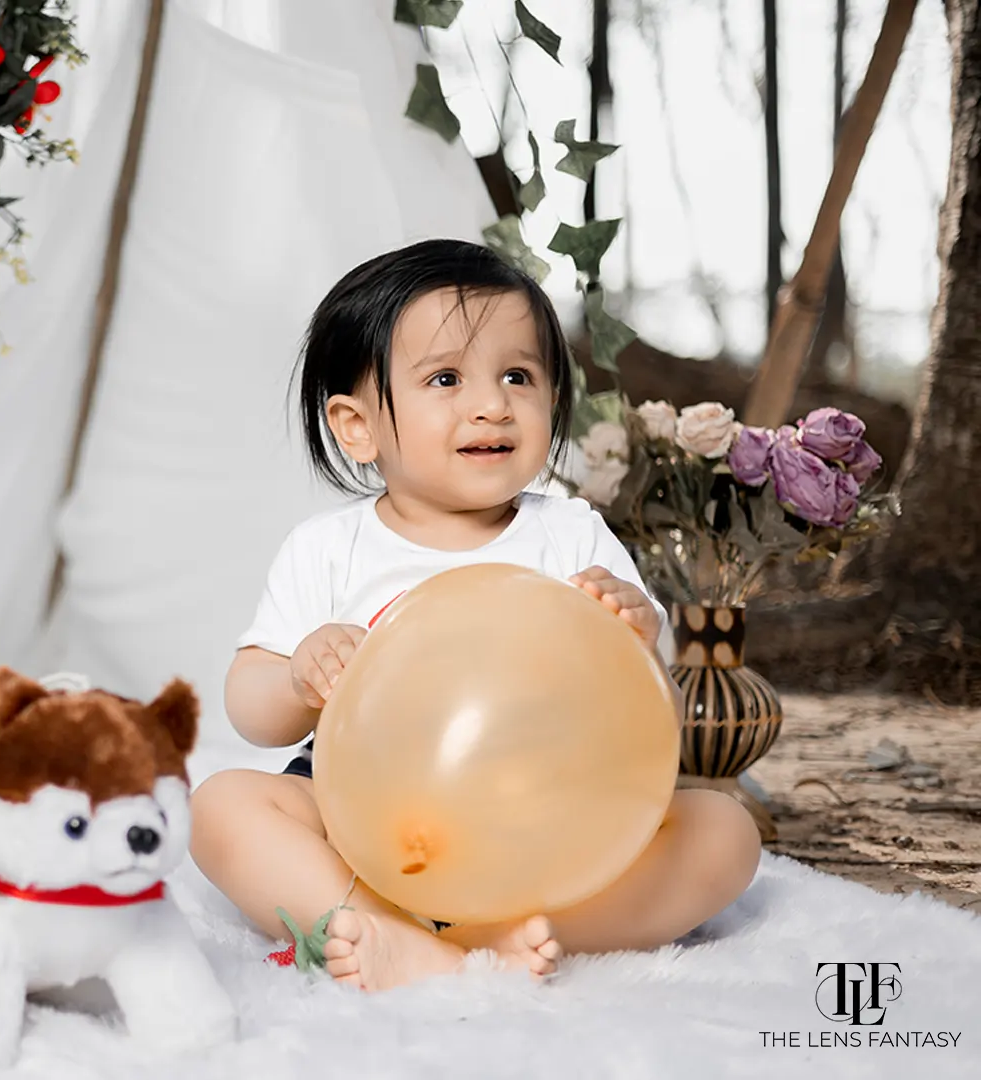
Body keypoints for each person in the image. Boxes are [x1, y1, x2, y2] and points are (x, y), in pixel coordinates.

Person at [190, 239, 762, 992]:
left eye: (518, 376)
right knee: (220, 807)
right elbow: (250, 709)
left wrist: (632, 633)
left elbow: (652, 719)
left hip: (545, 814)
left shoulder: (572, 536)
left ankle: (480, 938)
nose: (493, 404)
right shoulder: (329, 549)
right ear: (358, 426)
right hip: (363, 814)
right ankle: (378, 922)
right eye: (446, 378)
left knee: (724, 833)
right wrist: (300, 675)